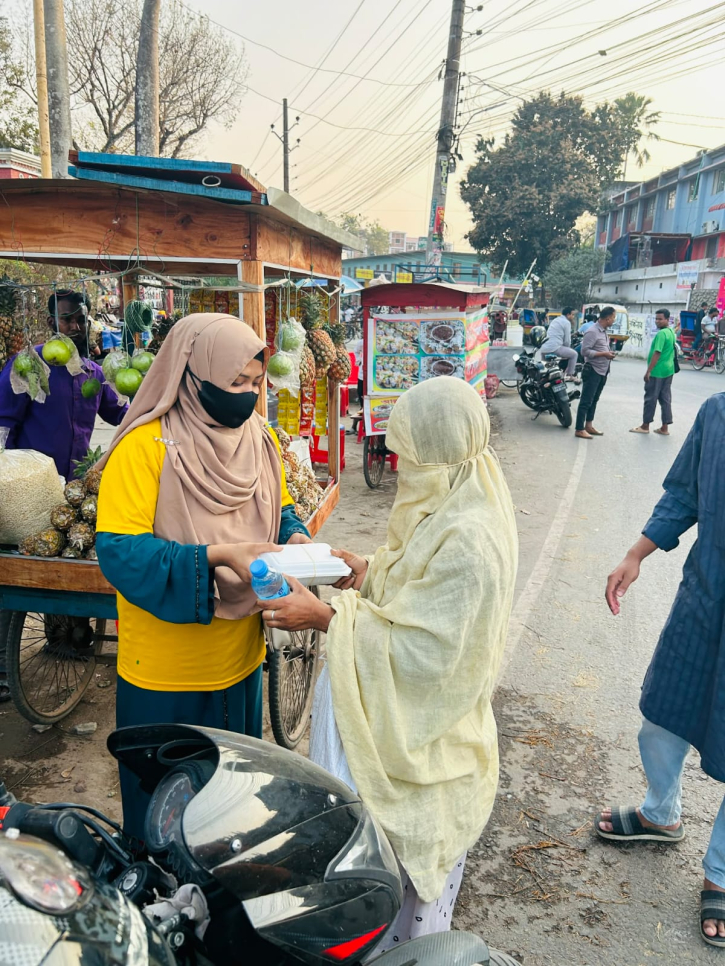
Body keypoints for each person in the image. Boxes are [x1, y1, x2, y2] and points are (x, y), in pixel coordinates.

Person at [259, 377, 518, 951]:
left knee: (395, 899)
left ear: (437, 453)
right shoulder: (456, 498)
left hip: (425, 745)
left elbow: (430, 657)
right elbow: (422, 590)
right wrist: (369, 569)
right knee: (372, 878)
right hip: (402, 724)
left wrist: (328, 619)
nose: (398, 466)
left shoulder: (470, 539)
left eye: (405, 455)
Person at [94, 313, 311, 839]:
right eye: (236, 382)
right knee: (162, 824)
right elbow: (119, 553)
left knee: (228, 818)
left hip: (240, 663)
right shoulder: (143, 449)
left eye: (256, 383)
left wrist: (296, 534)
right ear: (191, 374)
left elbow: (276, 506)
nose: (248, 396)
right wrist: (213, 556)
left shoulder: (258, 438)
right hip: (165, 675)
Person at [600, 394, 725, 948]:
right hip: (705, 598)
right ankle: (661, 813)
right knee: (662, 713)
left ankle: (721, 873)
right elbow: (684, 494)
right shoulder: (717, 413)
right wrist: (636, 554)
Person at [0, 290, 127, 480]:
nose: (76, 327)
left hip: (76, 484)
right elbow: (4, 422)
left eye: (82, 320)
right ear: (51, 323)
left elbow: (121, 414)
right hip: (30, 483)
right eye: (67, 320)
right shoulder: (29, 365)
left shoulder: (93, 374)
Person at [630, 308, 676, 436]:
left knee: (650, 398)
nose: (657, 321)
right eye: (656, 319)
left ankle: (645, 425)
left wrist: (648, 371)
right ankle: (664, 427)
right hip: (669, 370)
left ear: (667, 319)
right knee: (665, 398)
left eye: (660, 319)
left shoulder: (661, 334)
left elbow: (657, 352)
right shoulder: (671, 332)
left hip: (658, 371)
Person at [575, 306, 617, 439]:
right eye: (614, 317)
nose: (614, 320)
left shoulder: (603, 331)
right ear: (607, 318)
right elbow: (584, 351)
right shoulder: (592, 331)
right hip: (593, 369)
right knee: (586, 400)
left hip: (603, 371)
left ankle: (589, 425)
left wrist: (608, 353)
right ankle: (579, 428)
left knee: (594, 399)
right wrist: (604, 354)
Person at [539, 306, 579, 380]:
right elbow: (567, 340)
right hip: (555, 348)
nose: (573, 317)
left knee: (546, 372)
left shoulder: (556, 320)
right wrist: (567, 350)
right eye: (572, 315)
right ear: (568, 314)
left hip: (544, 349)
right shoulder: (566, 323)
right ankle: (569, 375)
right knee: (574, 354)